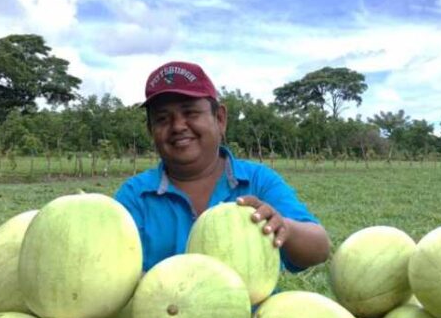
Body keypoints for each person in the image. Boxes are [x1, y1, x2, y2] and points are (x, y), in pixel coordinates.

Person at [114, 61, 331, 276]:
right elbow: (113, 273)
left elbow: (320, 248)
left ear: (220, 119)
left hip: (255, 312)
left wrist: (285, 227)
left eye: (190, 113)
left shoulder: (257, 181)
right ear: (151, 130)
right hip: (164, 309)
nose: (178, 126)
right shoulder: (135, 196)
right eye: (162, 119)